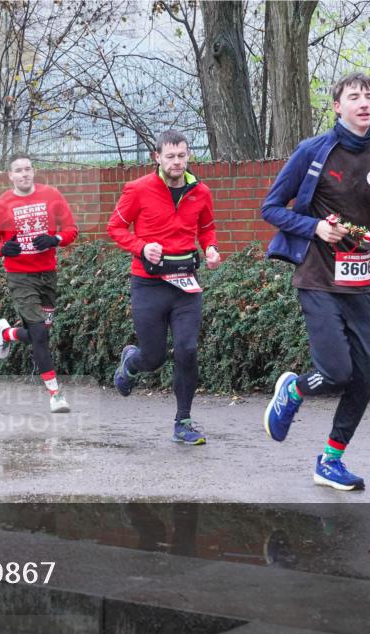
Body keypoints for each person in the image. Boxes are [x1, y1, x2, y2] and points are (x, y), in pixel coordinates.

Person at [261, 72, 370, 491]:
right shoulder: (314, 151)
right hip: (318, 278)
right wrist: (314, 227)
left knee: (364, 379)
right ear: (337, 106)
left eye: (369, 96)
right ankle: (293, 391)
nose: (364, 103)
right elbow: (271, 207)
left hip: (363, 284)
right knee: (334, 372)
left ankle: (330, 460)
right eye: (354, 96)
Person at [108, 129, 221, 445]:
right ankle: (132, 362)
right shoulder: (137, 189)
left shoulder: (201, 191)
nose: (176, 162)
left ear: (189, 156)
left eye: (181, 155)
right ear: (156, 157)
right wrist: (141, 247)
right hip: (148, 284)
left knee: (187, 350)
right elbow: (115, 227)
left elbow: (207, 229)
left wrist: (210, 249)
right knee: (154, 357)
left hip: (186, 284)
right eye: (170, 156)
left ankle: (183, 421)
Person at [0, 153, 79, 414]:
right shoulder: (1, 205)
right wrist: (3, 248)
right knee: (39, 334)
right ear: (10, 176)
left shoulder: (52, 196)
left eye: (28, 169)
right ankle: (56, 395)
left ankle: (7, 334)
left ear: (33, 172)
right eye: (18, 170)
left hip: (48, 275)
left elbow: (71, 229)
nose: (24, 174)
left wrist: (55, 239)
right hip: (20, 277)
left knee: (42, 333)